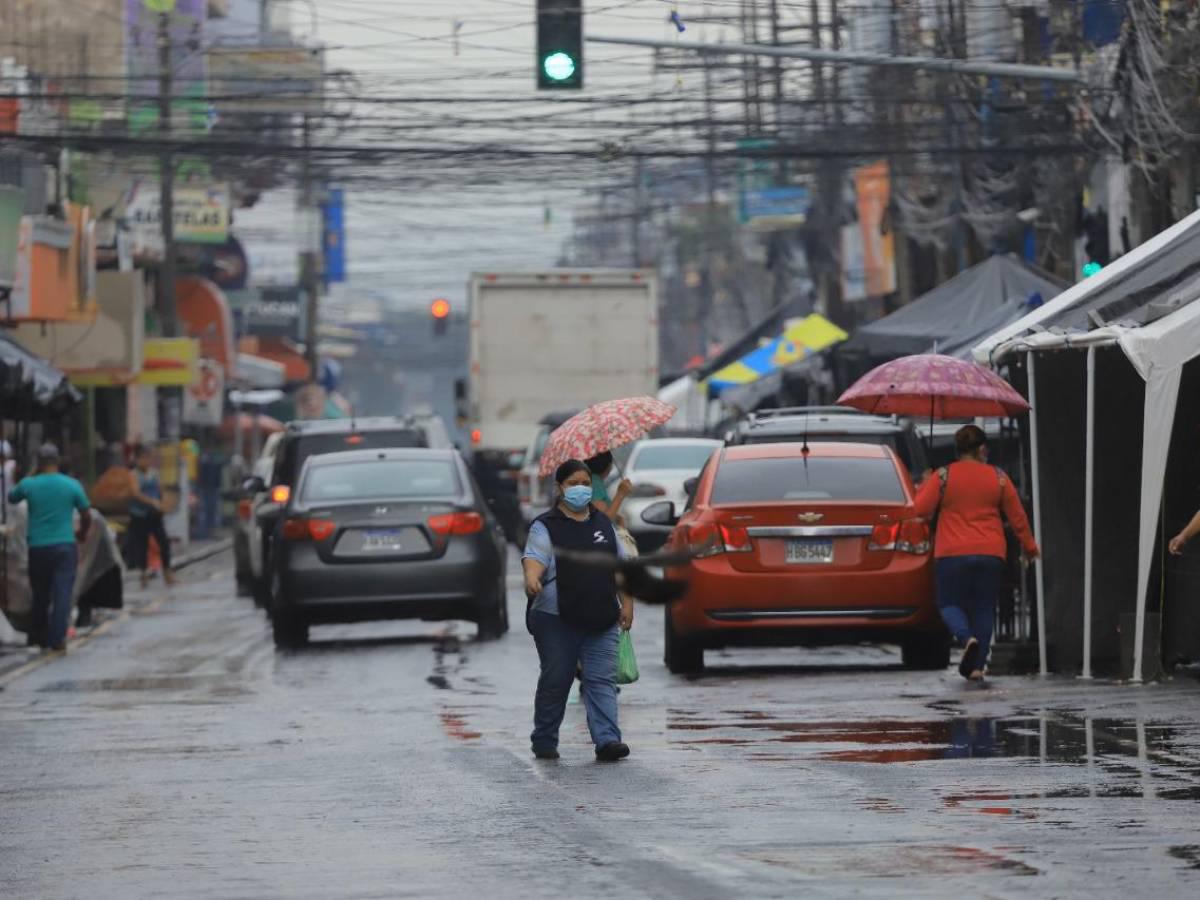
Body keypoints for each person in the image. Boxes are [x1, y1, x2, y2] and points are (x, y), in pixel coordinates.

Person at [523, 459, 634, 762]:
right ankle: (544, 738)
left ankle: (608, 740)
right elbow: (535, 557)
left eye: (586, 483)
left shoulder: (603, 525)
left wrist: (627, 602)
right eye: (573, 484)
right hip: (556, 618)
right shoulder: (545, 526)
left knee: (601, 681)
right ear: (559, 489)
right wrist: (532, 578)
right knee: (556, 679)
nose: (581, 489)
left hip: (601, 616)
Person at [913, 424, 1039, 681]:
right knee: (983, 608)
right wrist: (1030, 548)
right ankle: (977, 667)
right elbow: (1018, 519)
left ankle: (965, 637)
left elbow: (920, 510)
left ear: (958, 450)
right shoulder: (999, 477)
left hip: (952, 553)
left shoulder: (943, 476)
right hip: (991, 553)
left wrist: (925, 484)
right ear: (982, 449)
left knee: (949, 603)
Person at [6, 443, 91, 652]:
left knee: (41, 594)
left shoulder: (30, 484)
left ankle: (38, 637)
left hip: (38, 547)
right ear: (57, 461)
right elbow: (86, 513)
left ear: (39, 462)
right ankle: (57, 638)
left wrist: (30, 476)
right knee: (62, 593)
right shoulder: (71, 485)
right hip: (64, 546)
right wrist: (81, 533)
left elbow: (12, 497)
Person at [127, 444, 175, 589]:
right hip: (139, 515)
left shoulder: (154, 473)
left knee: (164, 542)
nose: (146, 461)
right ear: (137, 459)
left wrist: (163, 503)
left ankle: (167, 572)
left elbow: (161, 490)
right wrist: (151, 502)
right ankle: (143, 574)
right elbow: (135, 493)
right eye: (143, 458)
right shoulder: (133, 475)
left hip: (155, 514)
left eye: (148, 458)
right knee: (141, 545)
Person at [585, 451, 632, 523]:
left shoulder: (593, 480)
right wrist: (620, 494)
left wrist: (616, 518)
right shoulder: (595, 484)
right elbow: (604, 519)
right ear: (609, 466)